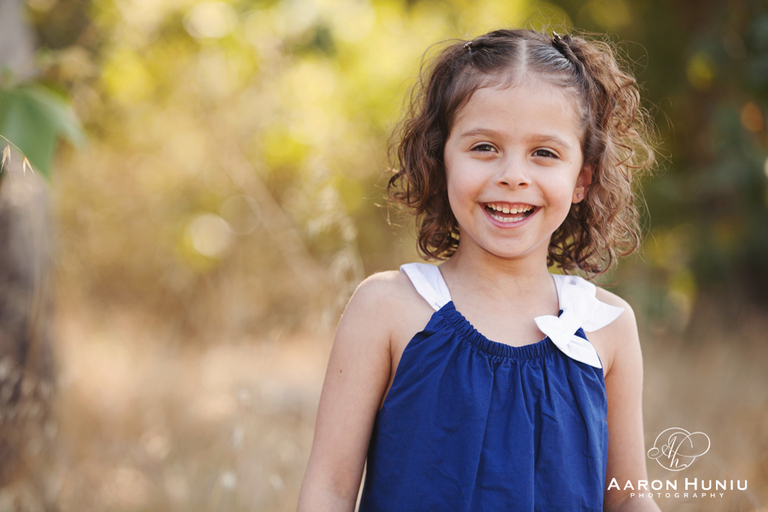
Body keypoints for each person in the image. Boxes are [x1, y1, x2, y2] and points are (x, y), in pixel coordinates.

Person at [298, 28, 660, 511]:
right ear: (441, 158)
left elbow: (629, 500)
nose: (513, 174)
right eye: (484, 147)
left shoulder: (608, 326)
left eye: (544, 153)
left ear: (582, 178)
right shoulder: (387, 308)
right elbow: (329, 490)